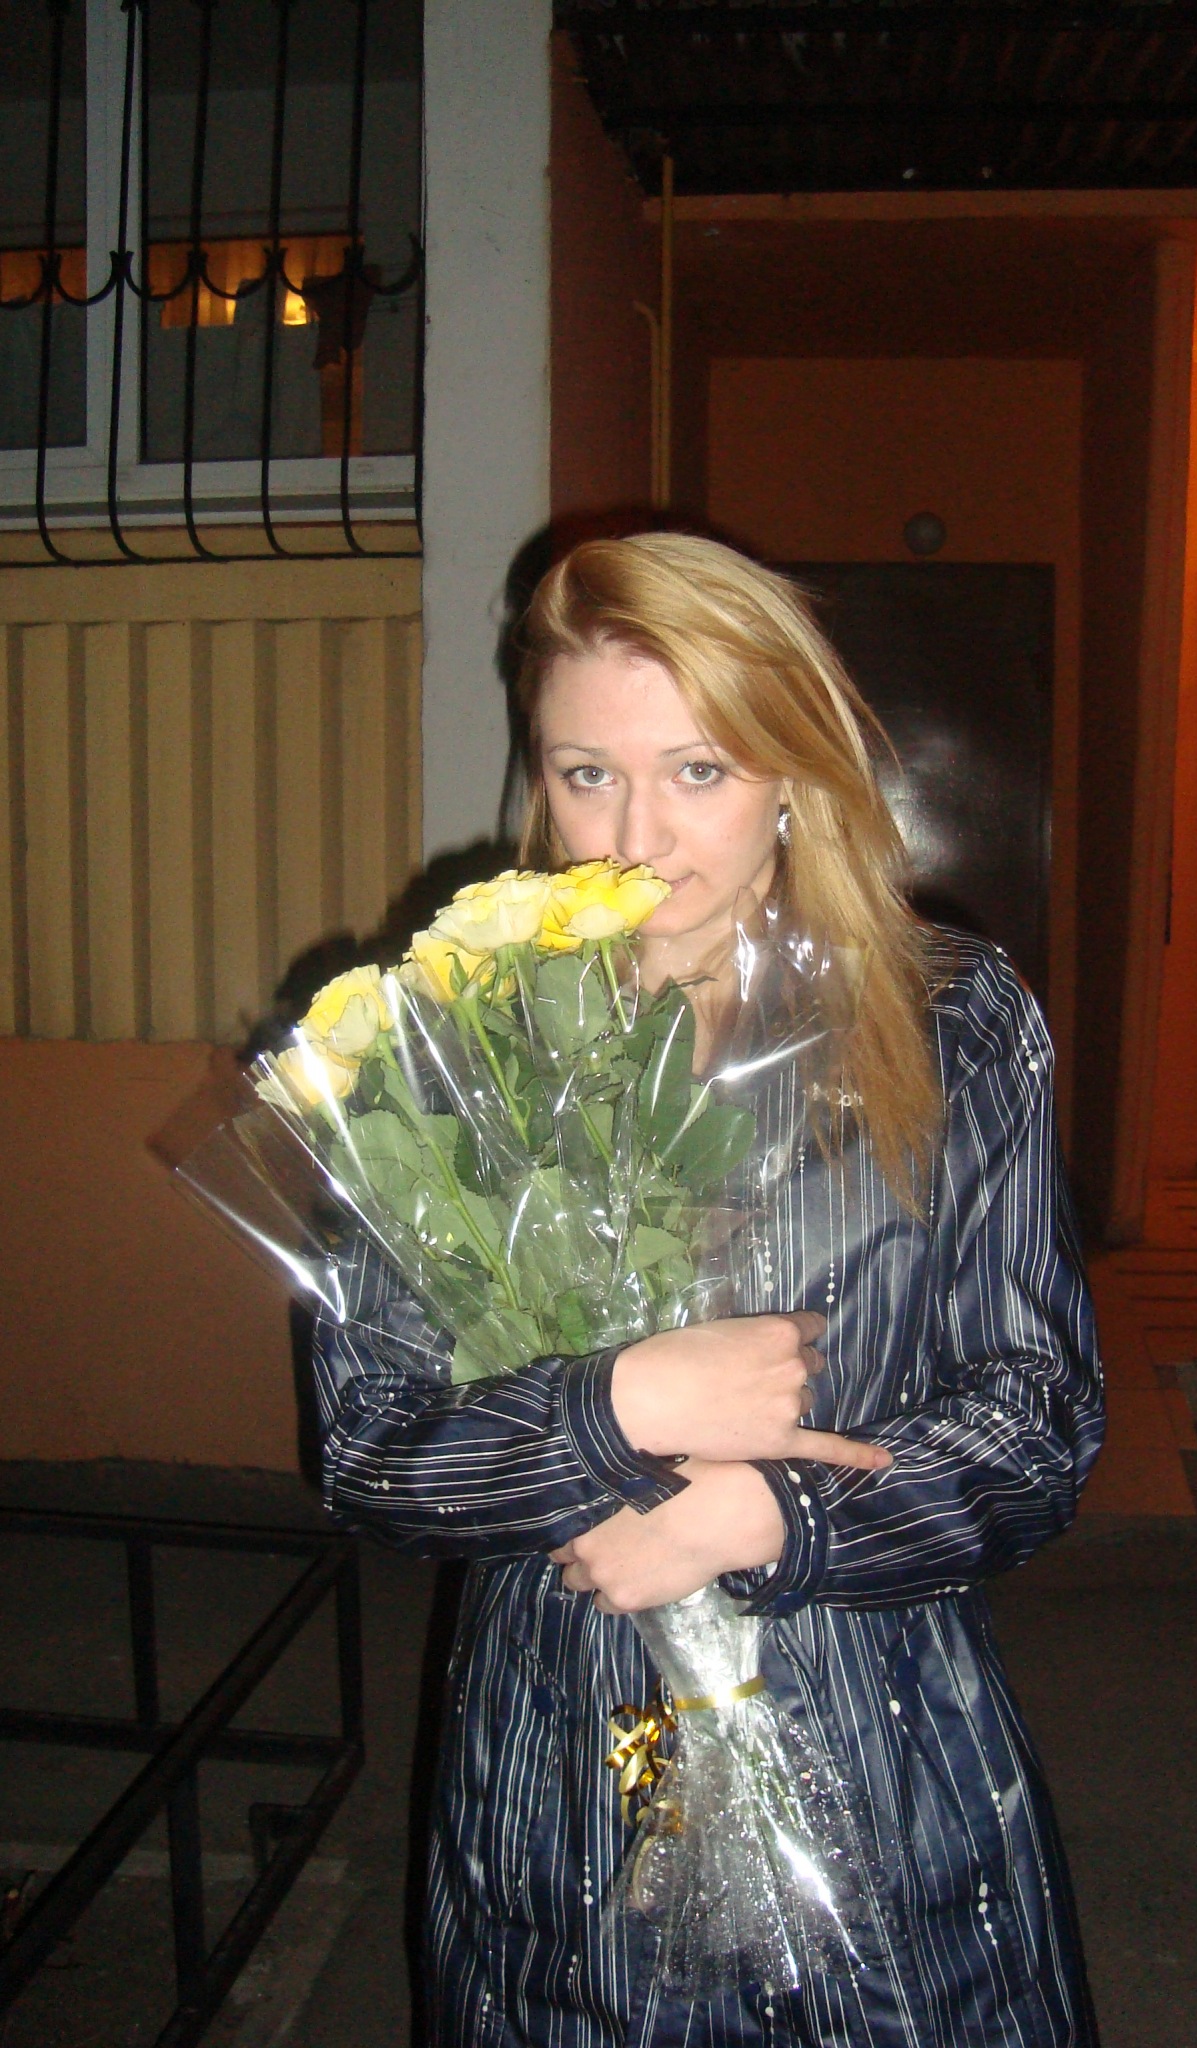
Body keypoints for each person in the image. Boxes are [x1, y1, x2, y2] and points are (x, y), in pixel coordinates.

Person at [313, 533, 1105, 2047]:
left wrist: (777, 1517)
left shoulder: (952, 1019)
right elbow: (369, 1452)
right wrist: (607, 1409)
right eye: (585, 774)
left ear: (792, 768)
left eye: (698, 770)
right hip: (569, 1742)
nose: (638, 837)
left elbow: (1038, 1423)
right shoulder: (455, 1047)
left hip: (881, 1740)